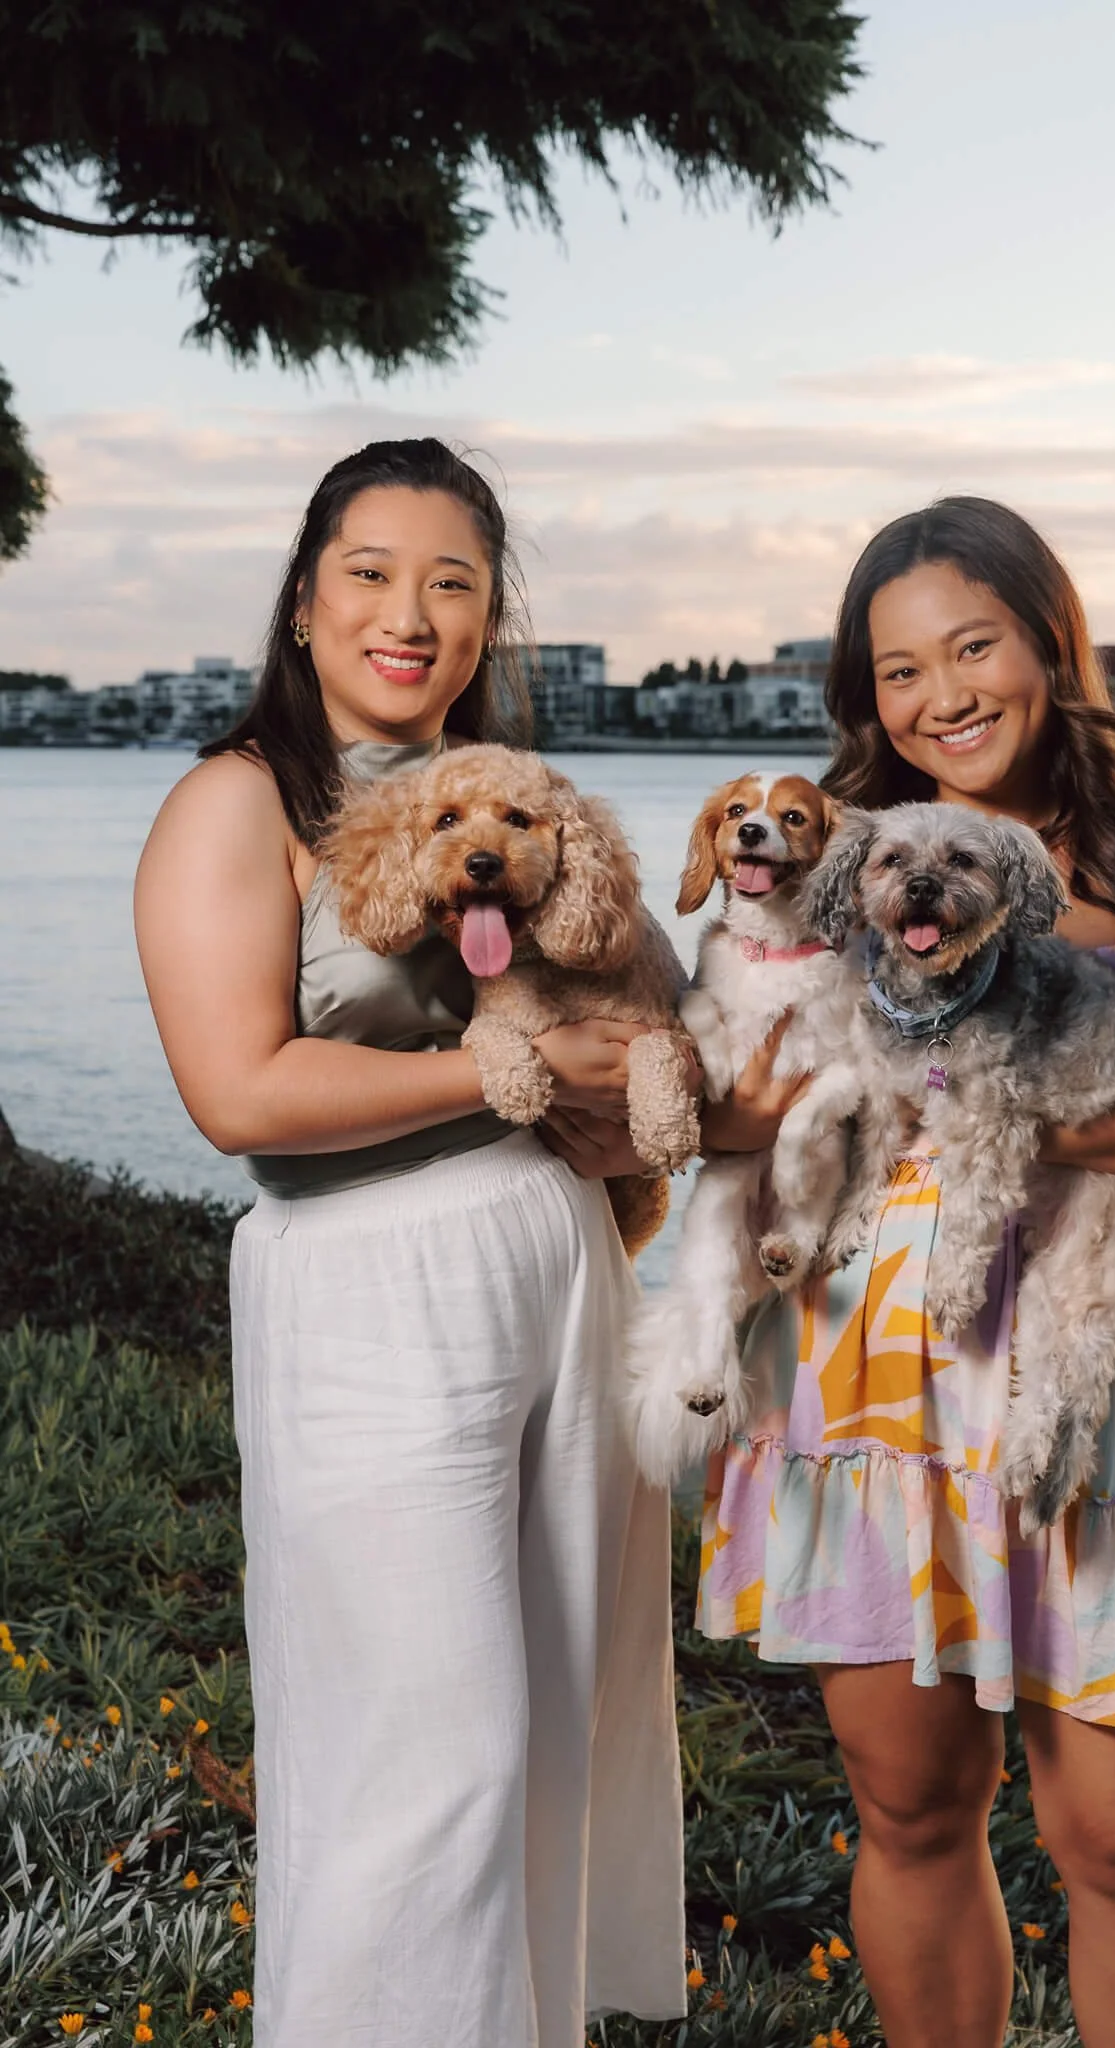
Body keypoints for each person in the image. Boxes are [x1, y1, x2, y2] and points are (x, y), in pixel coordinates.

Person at [695, 497, 1115, 2048]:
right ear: (868, 698)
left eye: (972, 645)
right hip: (864, 1376)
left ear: (1051, 642)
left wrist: (1034, 1125)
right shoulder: (833, 857)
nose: (942, 696)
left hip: (1099, 1374)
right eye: (899, 670)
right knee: (909, 1812)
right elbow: (739, 1078)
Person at [134, 438, 686, 2048]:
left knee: (558, 1734)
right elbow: (237, 1090)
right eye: (371, 573)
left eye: (453, 583)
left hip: (566, 1276)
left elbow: (664, 1021)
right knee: (424, 1754)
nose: (411, 613)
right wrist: (512, 1076)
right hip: (372, 1296)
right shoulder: (237, 802)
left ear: (490, 616)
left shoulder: (529, 805)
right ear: (305, 602)